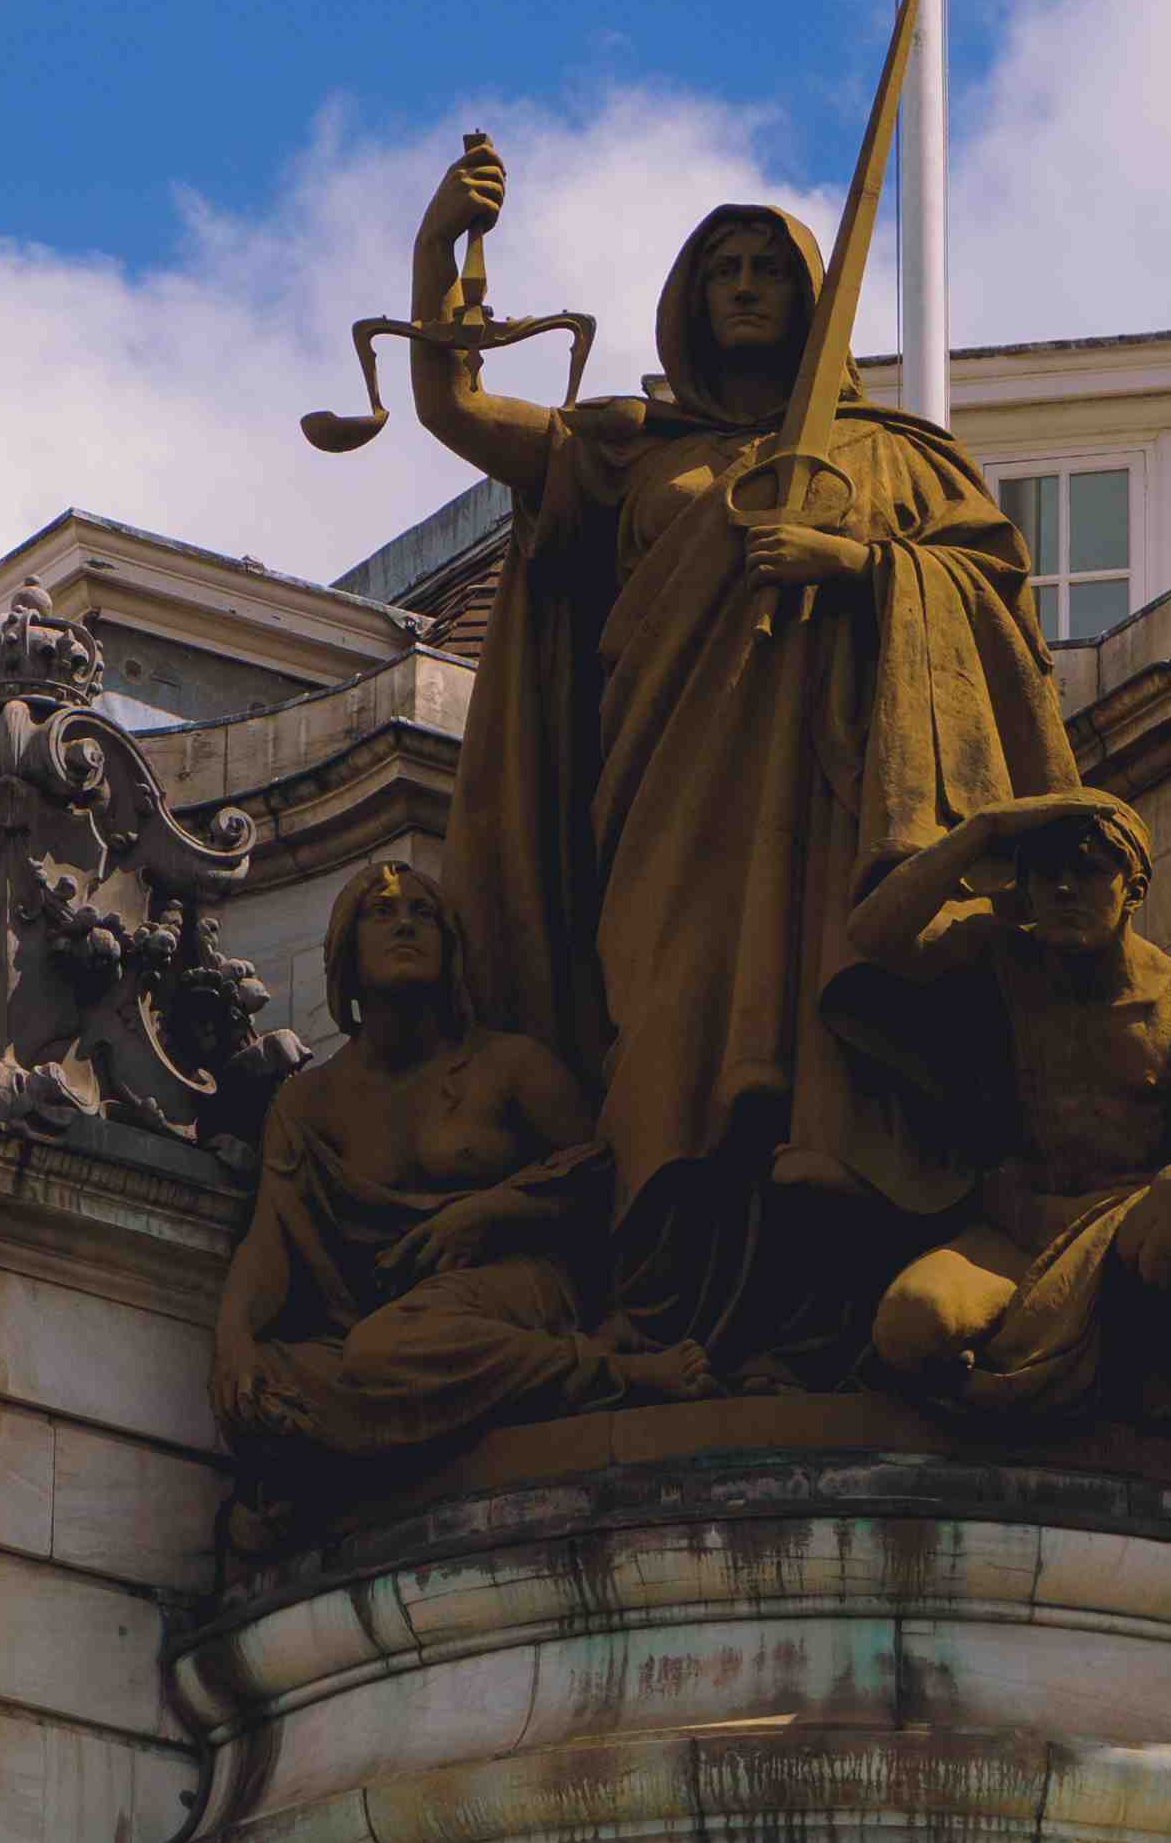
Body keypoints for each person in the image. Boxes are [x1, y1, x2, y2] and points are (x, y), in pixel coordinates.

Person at [408, 135, 1076, 1366]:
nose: (749, 285)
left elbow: (990, 600)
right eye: (724, 268)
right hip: (668, 807)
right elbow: (452, 409)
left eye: (770, 266)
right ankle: (661, 1307)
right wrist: (437, 248)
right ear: (689, 299)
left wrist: (865, 565)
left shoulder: (896, 459)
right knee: (665, 1031)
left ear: (811, 291)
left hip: (837, 805)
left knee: (821, 1044)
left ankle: (822, 1308)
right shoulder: (630, 450)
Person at [210, 857, 682, 1493]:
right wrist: (234, 1337)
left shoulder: (508, 1065)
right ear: (346, 956)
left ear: (451, 952)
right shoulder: (307, 1103)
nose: (405, 924)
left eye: (423, 913)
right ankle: (449, 1418)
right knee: (270, 1383)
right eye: (383, 912)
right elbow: (272, 1239)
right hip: (389, 1319)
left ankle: (608, 1371)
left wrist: (489, 1212)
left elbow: (599, 1172)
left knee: (382, 1355)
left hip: (518, 1287)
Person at [823, 786, 1171, 1436]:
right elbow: (873, 933)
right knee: (910, 1326)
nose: (1065, 889)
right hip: (1014, 1233)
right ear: (1026, 889)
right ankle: (1012, 1402)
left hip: (1123, 1227)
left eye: (1089, 869)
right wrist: (984, 828)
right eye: (1046, 872)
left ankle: (1141, 1376)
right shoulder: (1001, 956)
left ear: (1136, 888)